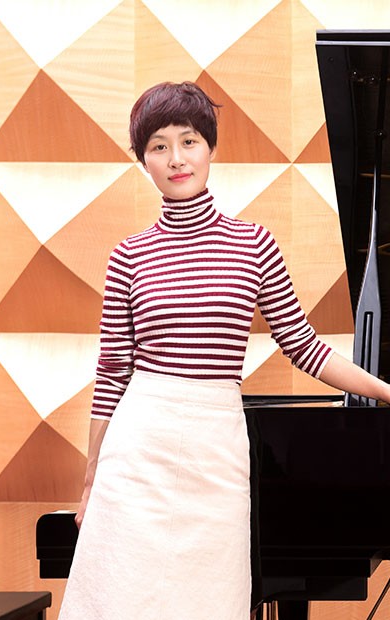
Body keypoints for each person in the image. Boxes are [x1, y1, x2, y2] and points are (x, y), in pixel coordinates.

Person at [58, 81, 390, 620]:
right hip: (138, 448)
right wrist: (92, 477)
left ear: (210, 147)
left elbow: (304, 347)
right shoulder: (128, 256)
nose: (176, 158)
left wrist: (386, 391)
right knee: (121, 597)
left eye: (188, 141)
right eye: (159, 146)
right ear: (144, 161)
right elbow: (113, 371)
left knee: (211, 599)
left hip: (218, 446)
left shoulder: (254, 243)